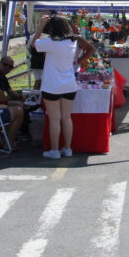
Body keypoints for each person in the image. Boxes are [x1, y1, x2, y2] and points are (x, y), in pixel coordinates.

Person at [32, 15, 78, 159]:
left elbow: (33, 43)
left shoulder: (50, 42)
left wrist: (41, 25)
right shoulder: (72, 42)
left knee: (54, 119)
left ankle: (54, 150)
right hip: (69, 85)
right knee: (66, 118)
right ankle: (68, 149)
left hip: (52, 85)